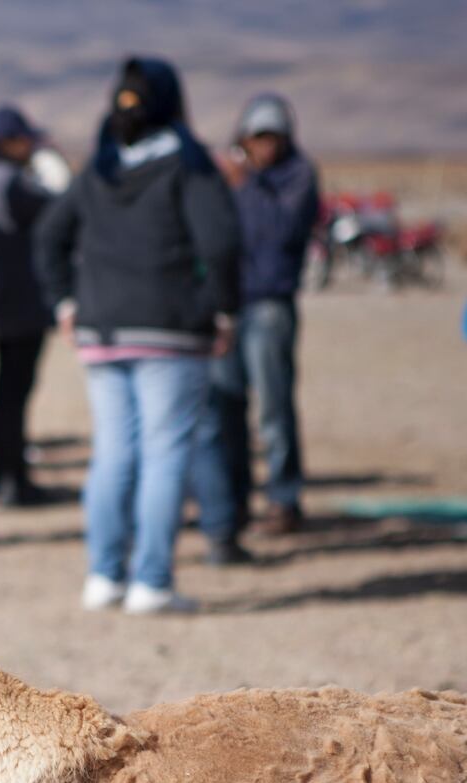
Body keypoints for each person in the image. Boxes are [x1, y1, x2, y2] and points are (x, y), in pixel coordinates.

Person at [35, 57, 242, 614]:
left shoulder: (100, 168)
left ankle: (104, 576)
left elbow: (48, 236)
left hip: (101, 329)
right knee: (165, 453)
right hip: (171, 331)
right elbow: (222, 242)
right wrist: (223, 310)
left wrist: (66, 302)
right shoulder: (189, 163)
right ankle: (151, 581)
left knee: (113, 454)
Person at [191, 92, 320, 553]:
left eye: (273, 138)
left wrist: (244, 184)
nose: (265, 147)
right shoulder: (227, 177)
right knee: (225, 408)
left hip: (270, 304)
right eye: (257, 138)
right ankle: (235, 500)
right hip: (228, 305)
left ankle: (284, 499)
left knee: (273, 407)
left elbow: (280, 231)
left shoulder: (298, 176)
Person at [0, 104, 56, 507]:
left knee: (6, 391)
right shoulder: (13, 183)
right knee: (14, 393)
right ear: (8, 142)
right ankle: (13, 479)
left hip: (1, 299)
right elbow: (56, 208)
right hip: (22, 301)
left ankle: (4, 474)